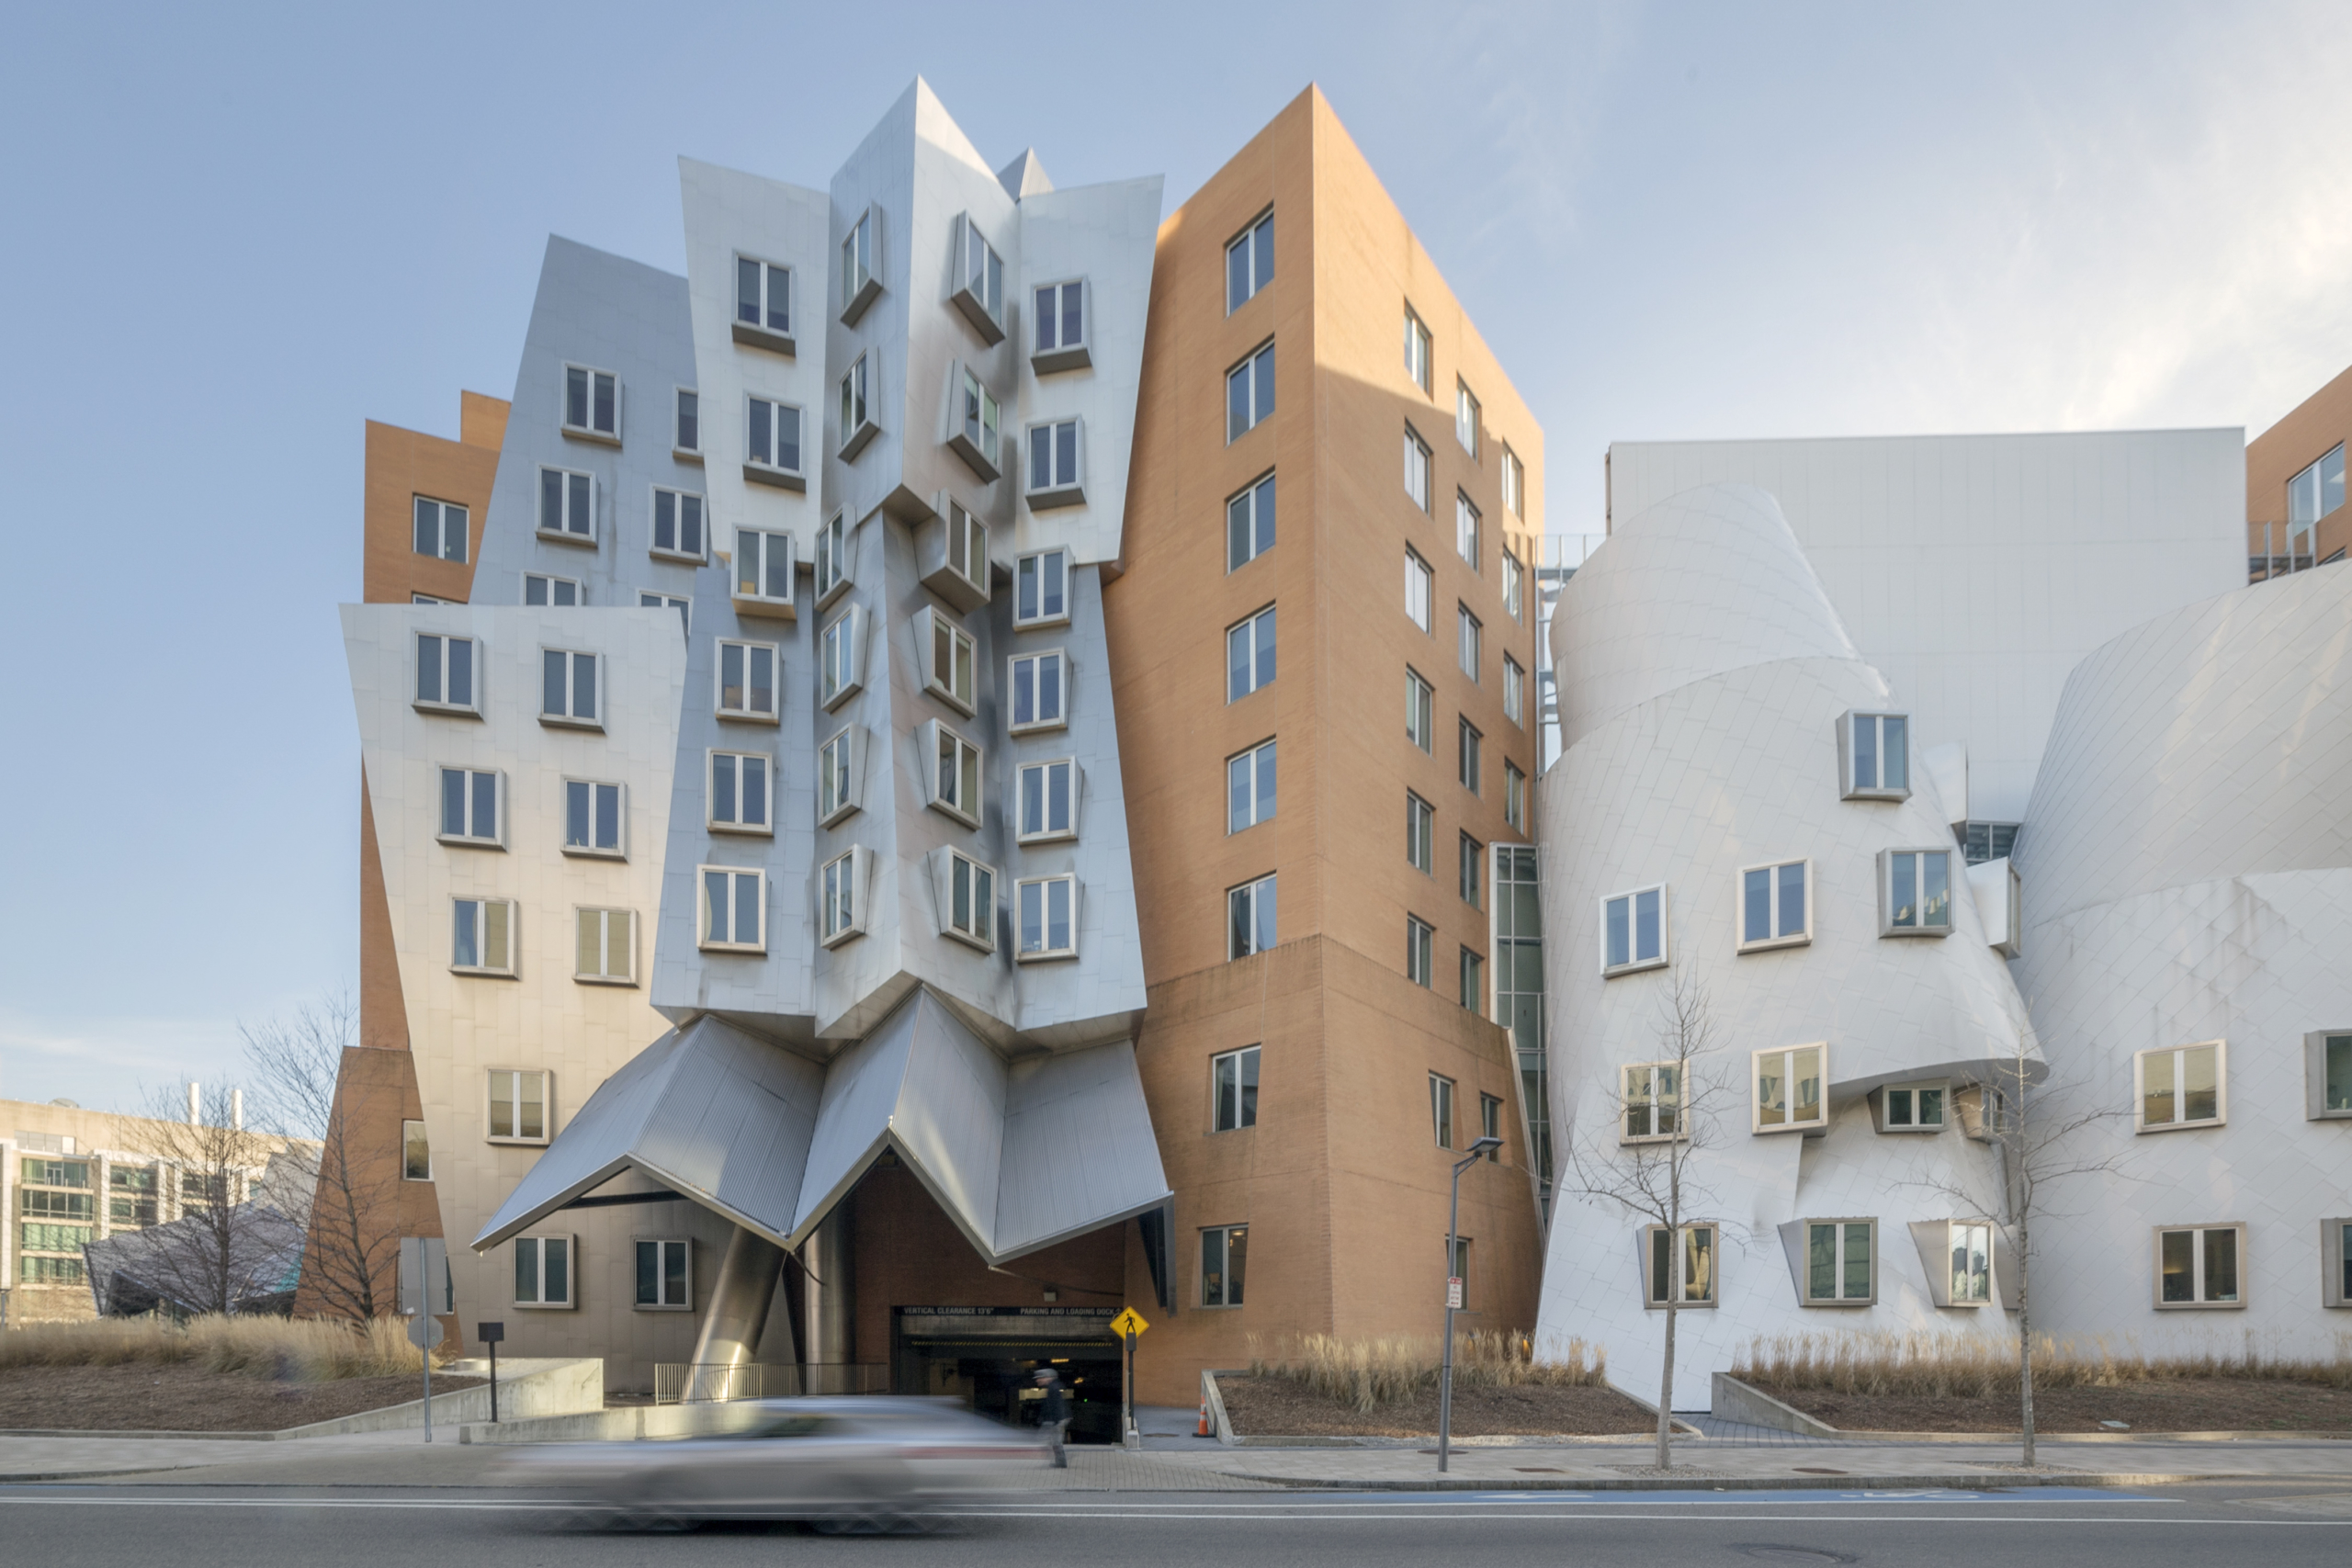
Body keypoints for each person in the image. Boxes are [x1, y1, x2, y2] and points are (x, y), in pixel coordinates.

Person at [1034, 1367, 1070, 1468]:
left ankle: (1061, 1462)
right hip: (1059, 1418)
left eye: (1040, 1378)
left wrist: (1056, 1421)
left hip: (1059, 1419)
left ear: (1047, 1378)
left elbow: (1058, 1405)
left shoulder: (1053, 1388)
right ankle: (1060, 1462)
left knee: (1056, 1441)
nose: (1037, 1380)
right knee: (1055, 1441)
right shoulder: (1054, 1387)